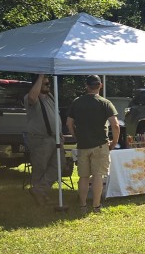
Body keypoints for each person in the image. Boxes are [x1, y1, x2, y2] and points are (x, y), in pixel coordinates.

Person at [66, 75, 120, 213]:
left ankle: (82, 205)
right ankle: (96, 206)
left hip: (83, 145)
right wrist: (114, 142)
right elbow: (115, 125)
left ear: (86, 86)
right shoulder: (105, 103)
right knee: (97, 176)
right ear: (100, 85)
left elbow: (69, 123)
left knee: (83, 177)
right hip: (100, 145)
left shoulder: (77, 102)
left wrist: (75, 136)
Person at [23, 74, 59, 205]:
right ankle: (40, 196)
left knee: (59, 166)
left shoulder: (50, 97)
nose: (48, 86)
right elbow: (33, 97)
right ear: (37, 84)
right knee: (40, 168)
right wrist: (40, 76)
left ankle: (38, 190)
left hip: (55, 138)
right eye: (45, 84)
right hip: (40, 139)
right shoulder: (30, 98)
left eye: (49, 83)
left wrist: (59, 134)